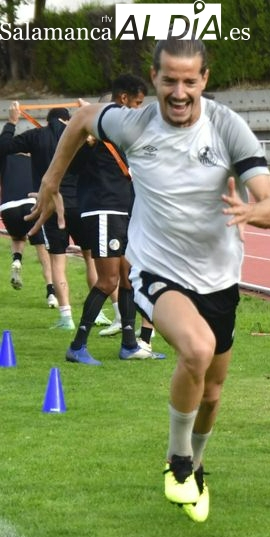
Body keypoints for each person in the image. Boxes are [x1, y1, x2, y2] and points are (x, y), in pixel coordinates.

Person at [28, 37, 270, 523]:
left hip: (219, 277)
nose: (180, 91)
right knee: (196, 349)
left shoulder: (228, 127)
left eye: (190, 81)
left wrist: (256, 209)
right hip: (155, 270)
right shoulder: (133, 123)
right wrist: (50, 181)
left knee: (211, 393)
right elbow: (82, 118)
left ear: (204, 80)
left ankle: (197, 465)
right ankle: (178, 461)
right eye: (170, 80)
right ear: (154, 79)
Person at [64, 73, 166, 365]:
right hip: (104, 210)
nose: (139, 108)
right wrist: (87, 139)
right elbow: (72, 165)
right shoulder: (95, 135)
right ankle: (78, 345)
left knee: (128, 278)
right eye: (136, 102)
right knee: (108, 280)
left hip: (125, 211)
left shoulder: (124, 134)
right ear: (123, 99)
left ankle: (130, 344)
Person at [0, 105, 112, 330]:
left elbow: (4, 147)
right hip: (80, 203)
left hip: (51, 205)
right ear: (66, 120)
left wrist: (12, 122)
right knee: (90, 258)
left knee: (58, 261)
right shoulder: (78, 135)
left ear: (49, 119)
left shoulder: (36, 135)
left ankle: (66, 317)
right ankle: (97, 312)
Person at [0, 151, 56, 305]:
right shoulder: (35, 159)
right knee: (42, 247)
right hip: (30, 203)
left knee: (17, 237)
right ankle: (51, 291)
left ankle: (17, 260)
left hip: (7, 206)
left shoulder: (5, 157)